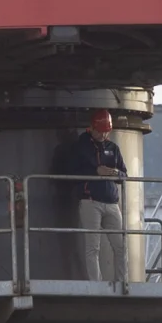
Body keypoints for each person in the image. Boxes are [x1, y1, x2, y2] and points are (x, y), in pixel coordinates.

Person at [49, 109, 131, 280]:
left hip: (112, 202)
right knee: (93, 247)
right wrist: (95, 172)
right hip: (90, 201)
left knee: (121, 245)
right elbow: (72, 172)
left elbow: (125, 174)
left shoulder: (113, 148)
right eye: (100, 131)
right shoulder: (80, 147)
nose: (103, 135)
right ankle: (97, 285)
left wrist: (116, 173)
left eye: (106, 131)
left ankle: (122, 282)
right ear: (91, 128)